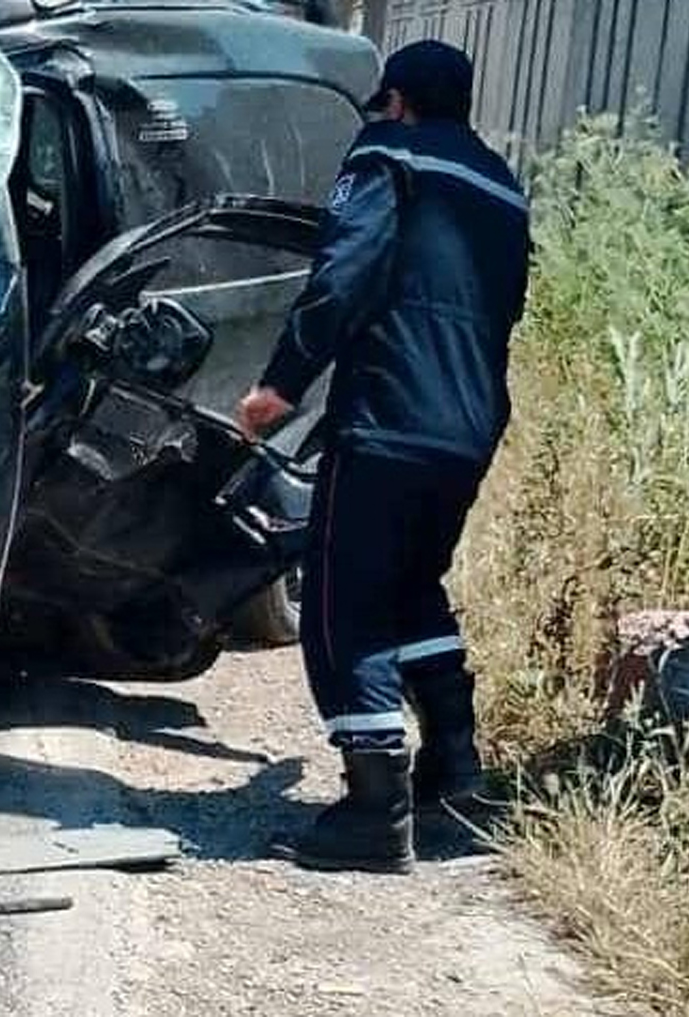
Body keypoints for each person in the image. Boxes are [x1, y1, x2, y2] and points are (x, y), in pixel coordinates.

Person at [234, 40, 531, 874]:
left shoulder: (387, 153)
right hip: (469, 423)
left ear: (396, 101)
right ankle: (455, 772)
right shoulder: (501, 185)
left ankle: (374, 810)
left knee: (345, 600)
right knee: (412, 588)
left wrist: (281, 384)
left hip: (390, 416)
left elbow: (344, 272)